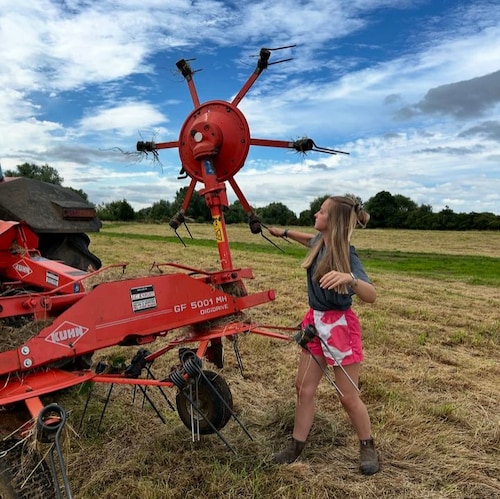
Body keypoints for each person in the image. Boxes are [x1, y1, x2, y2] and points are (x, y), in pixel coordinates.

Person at [267, 195, 379, 475]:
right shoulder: (319, 243)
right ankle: (296, 446)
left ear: (334, 222)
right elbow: (306, 238)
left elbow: (372, 295)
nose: (315, 214)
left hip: (341, 327)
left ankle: (367, 445)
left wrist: (350, 279)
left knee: (347, 396)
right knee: (303, 388)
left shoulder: (347, 254)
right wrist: (281, 232)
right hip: (315, 323)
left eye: (321, 211)